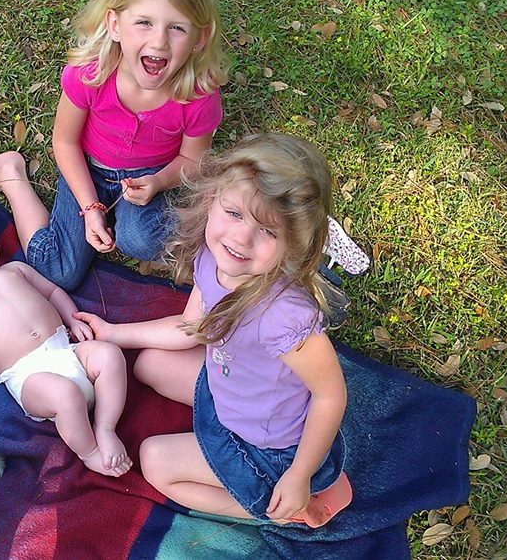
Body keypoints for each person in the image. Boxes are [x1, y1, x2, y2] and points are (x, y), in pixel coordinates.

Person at [76, 134, 352, 525]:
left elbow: (330, 394)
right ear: (212, 198)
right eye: (234, 213)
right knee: (149, 364)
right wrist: (112, 333)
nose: (241, 238)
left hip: (269, 447)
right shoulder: (214, 258)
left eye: (268, 231)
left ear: (294, 244)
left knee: (154, 461)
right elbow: (191, 326)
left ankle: (284, 510)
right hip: (230, 386)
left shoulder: (284, 315)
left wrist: (299, 476)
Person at [0, 0, 228, 290]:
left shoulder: (198, 95)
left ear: (200, 38)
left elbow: (193, 161)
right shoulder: (90, 75)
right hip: (87, 168)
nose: (159, 42)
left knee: (143, 242)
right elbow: (65, 142)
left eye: (177, 28)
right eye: (144, 23)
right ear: (115, 24)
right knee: (57, 271)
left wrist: (159, 182)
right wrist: (90, 207)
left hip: (150, 176)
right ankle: (9, 175)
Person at [0, 205, 132, 477]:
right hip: (30, 376)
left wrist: (73, 319)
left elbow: (52, 292)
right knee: (65, 395)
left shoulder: (15, 269)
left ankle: (106, 428)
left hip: (67, 350)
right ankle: (89, 452)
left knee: (109, 354)